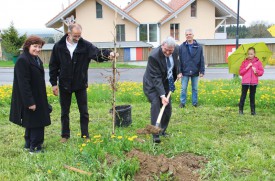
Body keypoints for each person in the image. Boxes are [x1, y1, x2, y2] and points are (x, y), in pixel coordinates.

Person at [49, 23, 117, 143]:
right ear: (68, 33)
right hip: (64, 84)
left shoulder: (85, 45)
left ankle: (85, 135)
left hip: (80, 83)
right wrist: (54, 83)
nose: (77, 38)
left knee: (84, 111)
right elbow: (53, 66)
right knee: (64, 111)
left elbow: (97, 54)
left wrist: (109, 54)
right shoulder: (58, 47)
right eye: (75, 35)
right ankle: (65, 135)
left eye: (79, 35)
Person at [10, 35, 51, 153]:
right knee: (37, 122)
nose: (38, 49)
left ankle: (28, 144)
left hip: (38, 96)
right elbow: (23, 84)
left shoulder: (36, 59)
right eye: (35, 46)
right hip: (31, 98)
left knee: (31, 121)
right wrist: (30, 102)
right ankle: (36, 147)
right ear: (28, 46)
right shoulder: (23, 60)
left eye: (39, 47)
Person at [143, 37, 182, 143]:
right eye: (166, 50)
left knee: (168, 108)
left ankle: (162, 130)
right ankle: (155, 134)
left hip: (167, 81)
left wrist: (178, 72)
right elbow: (156, 78)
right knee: (156, 103)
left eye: (171, 50)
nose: (168, 52)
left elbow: (176, 62)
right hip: (152, 84)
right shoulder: (153, 57)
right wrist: (162, 95)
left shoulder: (176, 50)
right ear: (162, 45)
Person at [179, 29, 205, 108]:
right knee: (183, 88)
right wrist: (179, 72)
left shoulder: (199, 47)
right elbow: (179, 60)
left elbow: (201, 59)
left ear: (193, 35)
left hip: (195, 70)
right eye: (187, 34)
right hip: (184, 71)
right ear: (185, 36)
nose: (188, 36)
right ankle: (182, 103)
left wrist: (202, 71)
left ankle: (195, 103)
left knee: (195, 89)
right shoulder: (181, 47)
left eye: (190, 34)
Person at [239, 47, 264, 115]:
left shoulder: (258, 62)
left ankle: (253, 111)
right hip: (245, 82)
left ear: (254, 54)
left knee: (252, 96)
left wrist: (256, 71)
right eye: (248, 54)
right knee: (243, 95)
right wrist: (247, 67)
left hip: (254, 82)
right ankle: (240, 111)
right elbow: (240, 72)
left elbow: (261, 72)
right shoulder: (244, 62)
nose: (250, 55)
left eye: (251, 54)